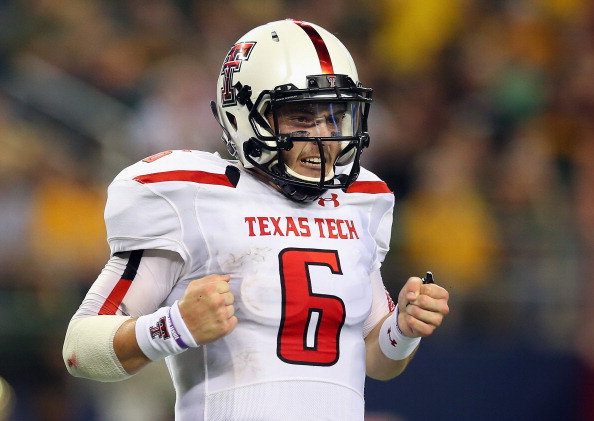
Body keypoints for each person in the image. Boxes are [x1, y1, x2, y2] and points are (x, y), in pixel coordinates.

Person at [63, 19, 450, 420]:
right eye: (301, 117)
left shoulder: (359, 201)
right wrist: (174, 327)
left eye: (335, 117)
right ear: (242, 117)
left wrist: (403, 330)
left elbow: (375, 358)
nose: (325, 137)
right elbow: (80, 349)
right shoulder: (192, 197)